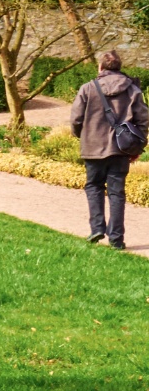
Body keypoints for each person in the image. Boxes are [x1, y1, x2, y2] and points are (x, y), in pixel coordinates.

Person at [70, 50, 149, 249]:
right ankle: (116, 239)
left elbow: (76, 119)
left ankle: (97, 227)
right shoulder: (132, 90)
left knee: (94, 186)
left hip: (93, 147)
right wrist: (137, 146)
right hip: (121, 149)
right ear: (119, 68)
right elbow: (143, 121)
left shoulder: (88, 88)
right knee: (116, 193)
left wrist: (83, 135)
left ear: (101, 67)